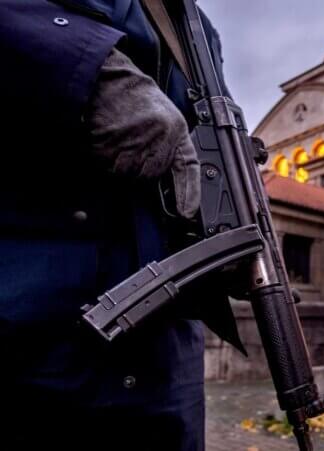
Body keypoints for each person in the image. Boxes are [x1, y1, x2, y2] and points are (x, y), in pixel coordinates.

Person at [0, 1, 240, 449]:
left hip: (165, 360)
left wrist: (234, 218)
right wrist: (79, 64)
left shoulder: (195, 29)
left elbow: (207, 149)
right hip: (30, 332)